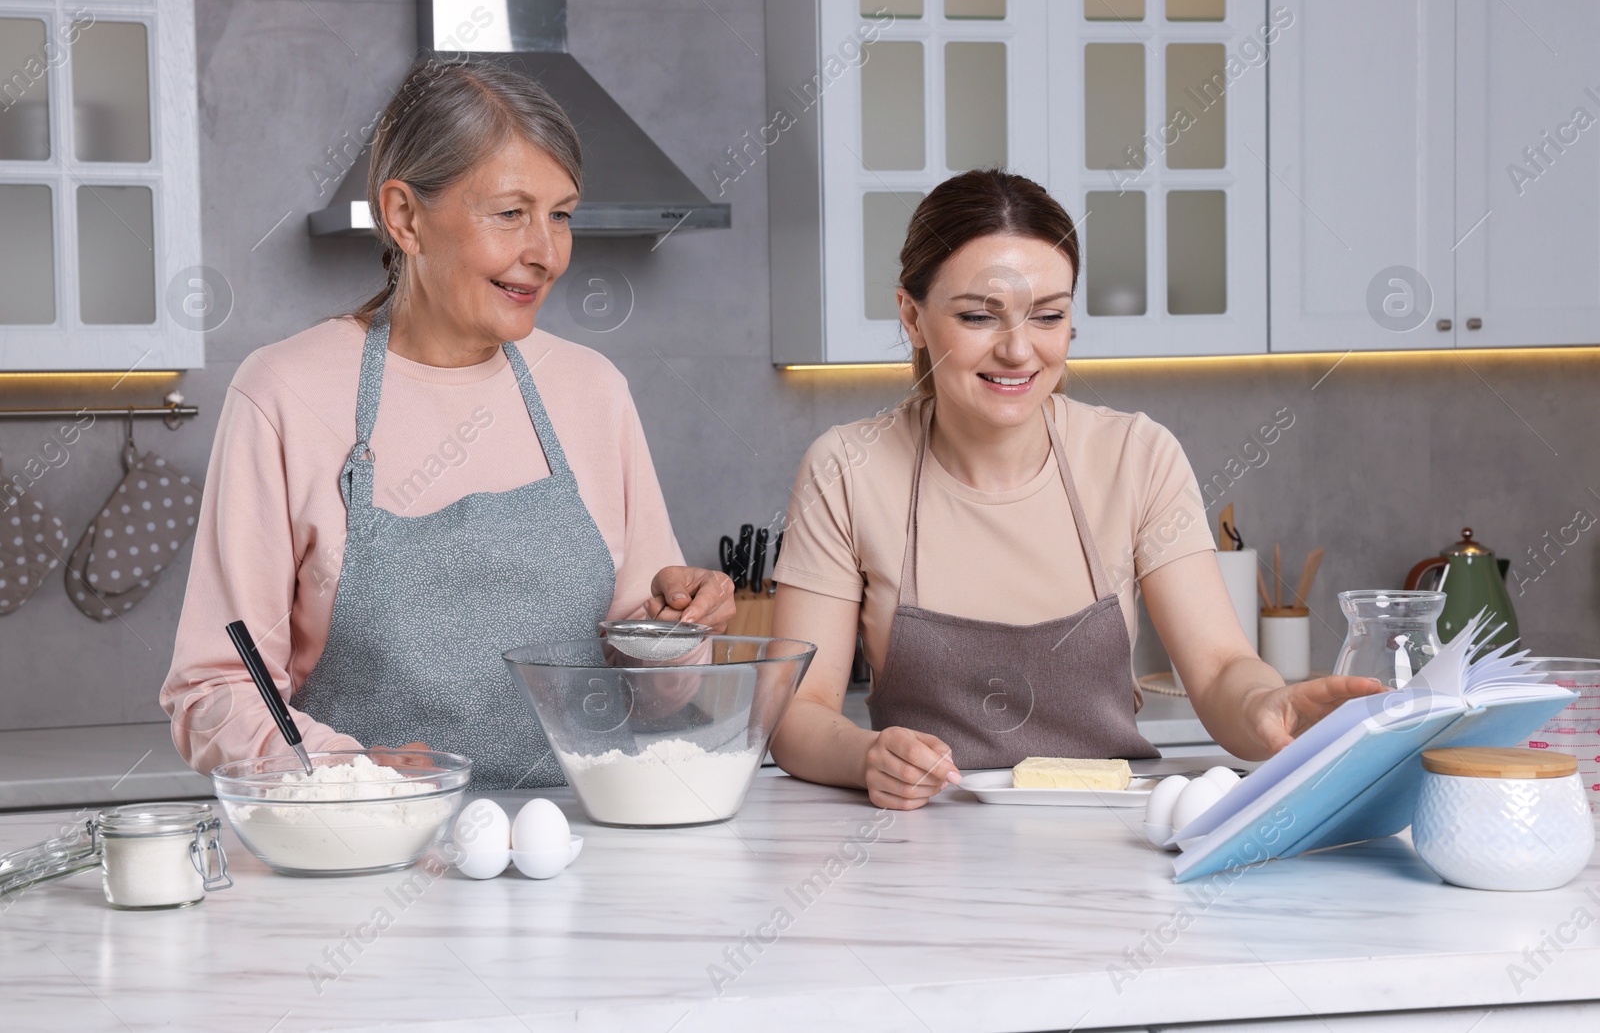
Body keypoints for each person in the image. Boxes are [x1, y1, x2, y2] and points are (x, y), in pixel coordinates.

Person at [161, 61, 733, 788]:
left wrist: (675, 633)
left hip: (581, 858)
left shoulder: (593, 391)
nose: (547, 253)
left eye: (561, 214)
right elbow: (212, 689)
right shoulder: (282, 394)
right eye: (510, 213)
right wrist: (353, 771)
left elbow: (655, 696)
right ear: (404, 217)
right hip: (368, 853)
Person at [768, 170, 1382, 810]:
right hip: (919, 847)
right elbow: (795, 714)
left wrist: (1264, 703)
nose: (1018, 349)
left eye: (1048, 316)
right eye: (979, 316)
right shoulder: (846, 469)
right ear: (912, 316)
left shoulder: (1137, 457)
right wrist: (867, 757)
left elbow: (1223, 668)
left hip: (1108, 847)